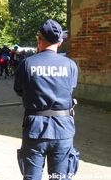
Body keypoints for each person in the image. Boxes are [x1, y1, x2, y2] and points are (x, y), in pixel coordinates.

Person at [14, 19, 79, 180]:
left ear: (39, 39)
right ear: (60, 41)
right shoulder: (70, 65)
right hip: (63, 129)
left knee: (32, 177)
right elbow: (69, 90)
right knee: (60, 177)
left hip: (35, 129)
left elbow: (19, 90)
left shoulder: (27, 64)